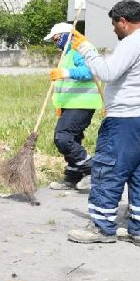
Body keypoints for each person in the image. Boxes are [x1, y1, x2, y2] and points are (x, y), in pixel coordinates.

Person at [67, 0, 140, 248]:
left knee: (108, 171)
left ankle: (102, 227)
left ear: (124, 21)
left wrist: (87, 50)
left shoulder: (133, 42)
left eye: (114, 24)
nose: (114, 30)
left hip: (127, 121)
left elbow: (107, 72)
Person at [44, 22, 103, 191]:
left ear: (66, 35)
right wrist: (60, 104)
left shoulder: (80, 48)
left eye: (56, 39)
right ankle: (73, 177)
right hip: (71, 104)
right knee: (73, 139)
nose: (56, 44)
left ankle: (92, 170)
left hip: (83, 103)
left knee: (62, 137)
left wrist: (65, 73)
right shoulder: (68, 53)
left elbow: (89, 71)